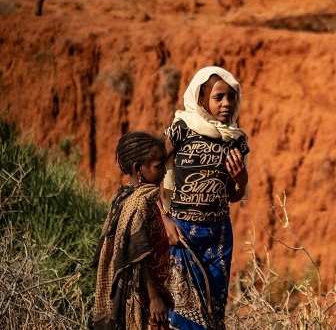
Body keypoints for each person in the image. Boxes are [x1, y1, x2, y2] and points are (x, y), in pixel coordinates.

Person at [160, 66, 249, 329]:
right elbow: (151, 173)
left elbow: (235, 195)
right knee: (181, 313)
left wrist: (241, 179)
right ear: (201, 99)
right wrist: (165, 220)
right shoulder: (181, 129)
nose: (226, 104)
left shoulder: (236, 141)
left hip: (219, 236)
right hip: (182, 231)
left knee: (212, 313)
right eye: (218, 97)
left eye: (231, 97)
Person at [93, 132, 171, 330]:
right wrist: (154, 298)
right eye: (158, 166)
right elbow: (137, 255)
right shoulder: (139, 202)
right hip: (145, 296)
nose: (164, 172)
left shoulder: (131, 197)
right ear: (138, 169)